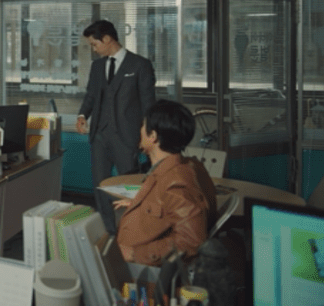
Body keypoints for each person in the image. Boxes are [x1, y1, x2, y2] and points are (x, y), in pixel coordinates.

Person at [76, 19, 156, 235]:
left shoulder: (140, 65)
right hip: (99, 136)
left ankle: (133, 231)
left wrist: (147, 135)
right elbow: (91, 95)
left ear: (107, 39)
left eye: (95, 44)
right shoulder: (97, 67)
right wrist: (83, 115)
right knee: (100, 185)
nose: (94, 49)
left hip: (127, 137)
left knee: (129, 186)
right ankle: (109, 230)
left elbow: (148, 104)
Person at [115, 100, 218, 266]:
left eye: (143, 126)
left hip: (143, 271)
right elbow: (168, 205)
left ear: (153, 136)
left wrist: (134, 253)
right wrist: (142, 204)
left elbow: (191, 241)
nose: (140, 130)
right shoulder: (183, 165)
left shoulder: (177, 181)